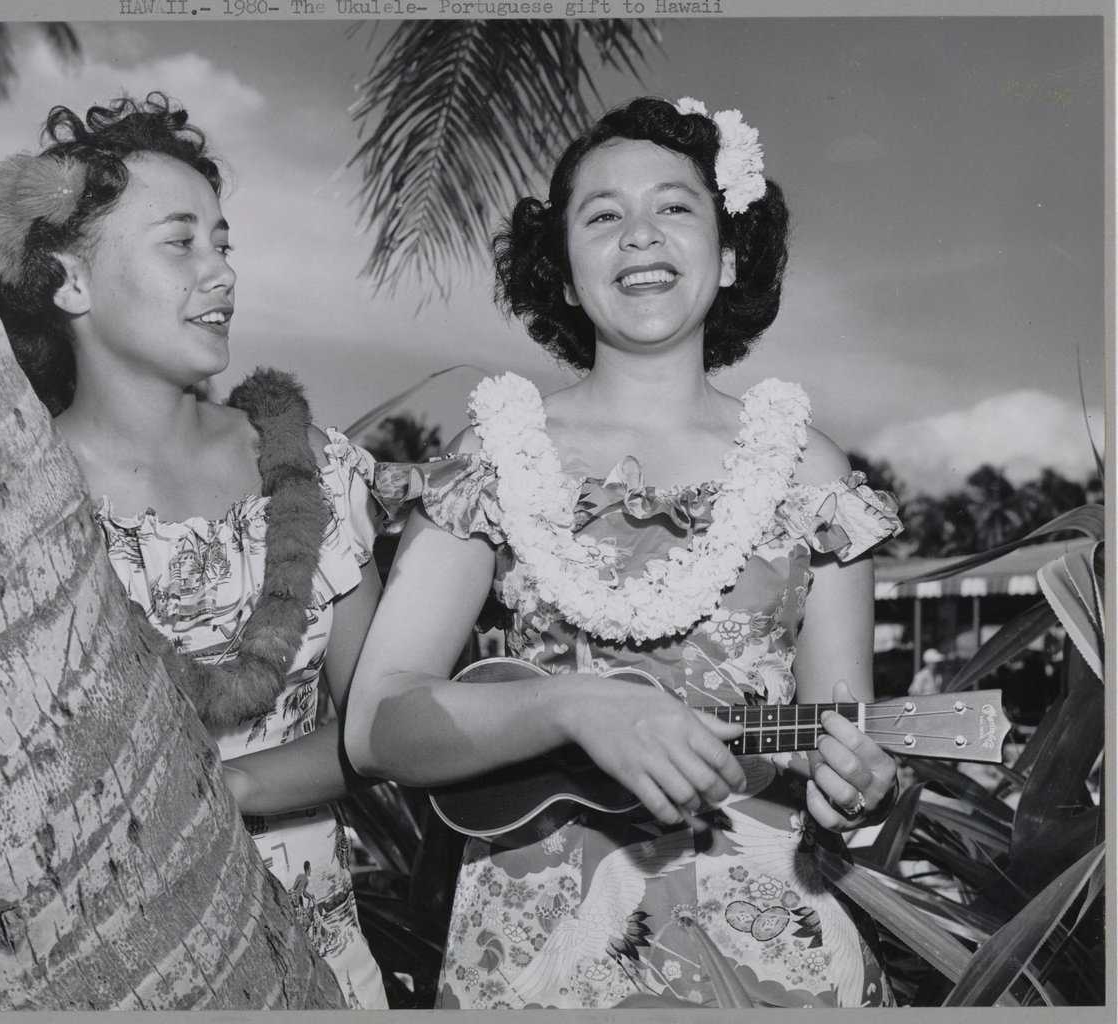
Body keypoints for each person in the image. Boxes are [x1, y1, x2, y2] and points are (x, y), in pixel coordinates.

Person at [346, 97, 903, 1009]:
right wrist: (572, 706)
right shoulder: (494, 455)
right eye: (602, 215)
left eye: (675, 207)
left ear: (727, 257)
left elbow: (845, 730)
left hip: (769, 946)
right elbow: (377, 728)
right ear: (563, 272)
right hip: (537, 950)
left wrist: (861, 783)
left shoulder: (812, 473)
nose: (639, 235)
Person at [0, 93, 387, 1009]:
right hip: (96, 965)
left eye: (224, 243)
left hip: (313, 966)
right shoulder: (13, 502)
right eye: (180, 242)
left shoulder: (315, 469)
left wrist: (216, 789)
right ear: (70, 283)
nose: (221, 273)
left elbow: (384, 730)